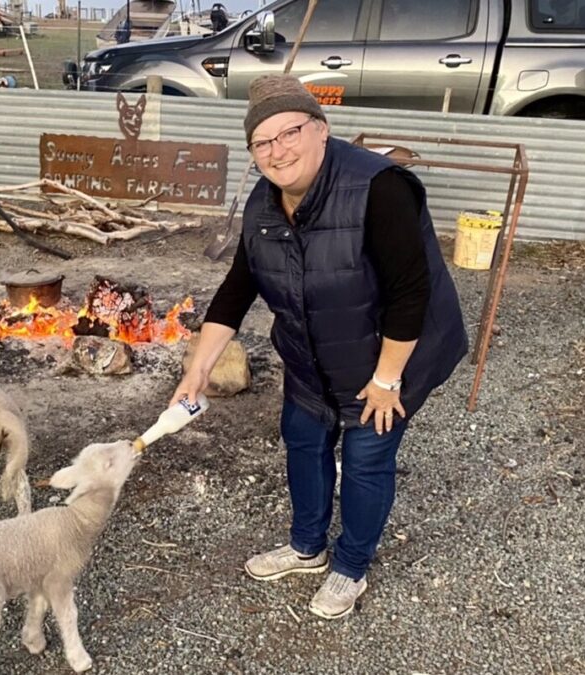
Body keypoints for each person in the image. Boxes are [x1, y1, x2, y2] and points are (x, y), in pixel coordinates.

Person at [172, 75, 467, 620]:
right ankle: (307, 546)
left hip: (393, 354)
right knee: (305, 440)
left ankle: (351, 566)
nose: (278, 150)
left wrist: (386, 381)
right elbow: (240, 285)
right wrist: (196, 373)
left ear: (322, 131)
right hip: (313, 355)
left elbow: (411, 293)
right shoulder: (264, 201)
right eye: (263, 142)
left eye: (290, 132)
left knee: (365, 458)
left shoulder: (380, 188)